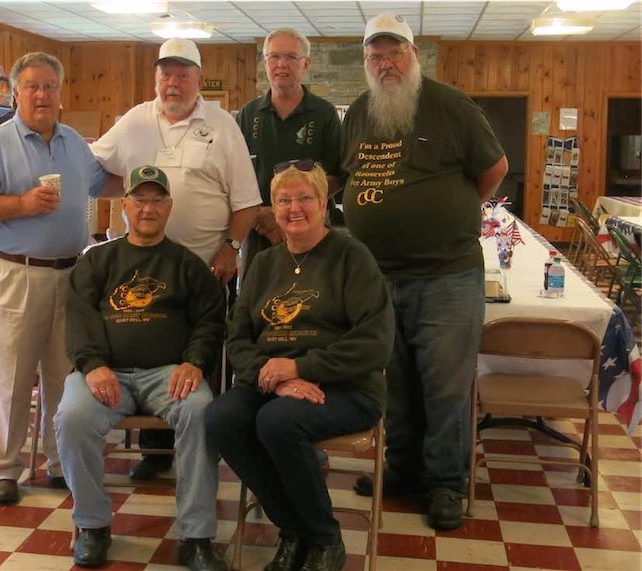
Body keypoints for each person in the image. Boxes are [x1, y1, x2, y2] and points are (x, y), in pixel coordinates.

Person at [341, 14, 508, 530]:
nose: (385, 64)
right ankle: (404, 469)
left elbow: (494, 170)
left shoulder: (451, 106)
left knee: (445, 386)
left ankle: (445, 484)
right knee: (397, 384)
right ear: (366, 63)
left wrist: (446, 215)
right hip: (378, 277)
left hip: (446, 277)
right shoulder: (360, 114)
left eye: (394, 53)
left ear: (413, 56)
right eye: (375, 56)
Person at [204, 160, 394, 571]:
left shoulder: (352, 257)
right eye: (284, 200)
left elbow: (375, 342)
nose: (295, 208)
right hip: (273, 385)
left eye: (305, 198)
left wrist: (301, 368)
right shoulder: (263, 265)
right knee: (221, 417)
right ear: (272, 208)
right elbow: (237, 338)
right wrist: (272, 378)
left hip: (348, 388)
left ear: (324, 203)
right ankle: (292, 528)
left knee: (278, 422)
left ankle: (325, 540)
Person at [90, 37, 261, 481]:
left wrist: (233, 247)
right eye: (166, 73)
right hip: (143, 266)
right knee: (151, 352)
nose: (173, 82)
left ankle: (205, 450)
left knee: (202, 358)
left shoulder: (223, 125)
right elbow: (95, 171)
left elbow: (246, 202)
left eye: (183, 74)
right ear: (156, 79)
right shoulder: (134, 121)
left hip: (206, 270)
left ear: (199, 80)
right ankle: (156, 451)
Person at [0, 52, 109, 505]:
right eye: (33, 87)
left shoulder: (75, 144)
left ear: (61, 94)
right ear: (17, 93)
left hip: (71, 275)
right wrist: (20, 205)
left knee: (65, 377)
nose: (42, 95)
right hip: (15, 273)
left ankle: (61, 463)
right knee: (11, 380)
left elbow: (104, 183)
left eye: (50, 87)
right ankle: (3, 470)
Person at [54, 165, 227, 570]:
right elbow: (79, 319)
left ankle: (196, 537)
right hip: (104, 372)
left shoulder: (188, 265)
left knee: (202, 412)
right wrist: (93, 365)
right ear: (125, 206)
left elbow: (210, 322)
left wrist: (194, 361)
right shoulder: (97, 261)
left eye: (157, 200)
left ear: (169, 207)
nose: (148, 208)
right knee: (72, 417)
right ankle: (93, 526)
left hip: (168, 373)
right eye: (140, 200)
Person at [235, 28, 343, 276]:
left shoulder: (324, 114)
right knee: (258, 299)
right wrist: (262, 218)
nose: (281, 64)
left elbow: (337, 175)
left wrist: (287, 211)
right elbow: (235, 178)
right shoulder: (248, 114)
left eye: (291, 57)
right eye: (274, 57)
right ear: (265, 62)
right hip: (260, 230)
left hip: (311, 231)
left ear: (306, 63)